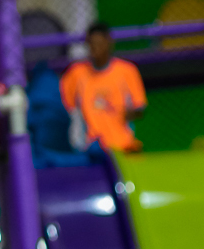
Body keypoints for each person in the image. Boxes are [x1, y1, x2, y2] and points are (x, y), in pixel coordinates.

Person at [60, 22, 147, 152]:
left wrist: (128, 113)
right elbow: (67, 108)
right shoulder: (76, 73)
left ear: (109, 43)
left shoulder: (127, 71)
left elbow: (139, 107)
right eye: (92, 45)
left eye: (99, 44)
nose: (96, 49)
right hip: (90, 147)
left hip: (124, 146)